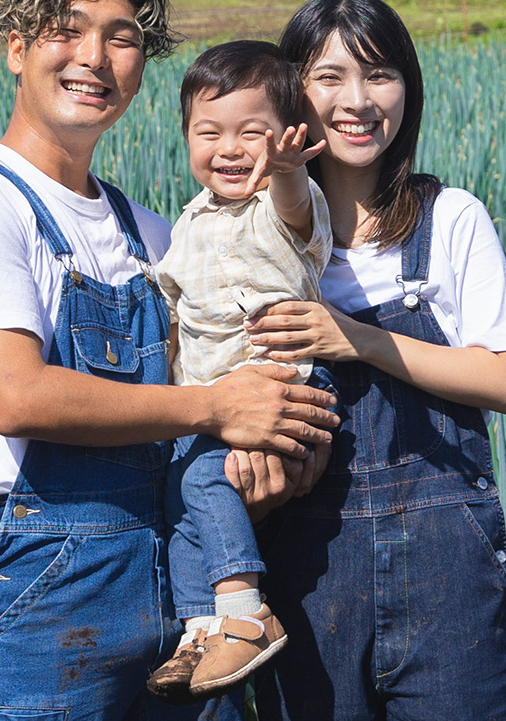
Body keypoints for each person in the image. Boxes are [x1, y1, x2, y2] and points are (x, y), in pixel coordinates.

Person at [0, 0, 339, 720]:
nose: (94, 59)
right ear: (16, 48)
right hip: (39, 593)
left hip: (177, 598)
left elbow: (192, 414)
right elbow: (20, 398)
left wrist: (262, 464)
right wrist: (220, 407)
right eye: (66, 30)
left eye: (123, 37)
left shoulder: (157, 234)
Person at [237, 0, 506, 720]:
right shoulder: (249, 235)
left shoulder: (449, 219)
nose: (359, 101)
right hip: (306, 570)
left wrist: (356, 340)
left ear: (408, 87)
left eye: (380, 74)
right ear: (291, 91)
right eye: (330, 76)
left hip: (446, 575)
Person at [146, 41, 332, 702]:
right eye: (209, 132)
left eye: (251, 134)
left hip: (281, 384)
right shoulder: (187, 223)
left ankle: (245, 609)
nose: (229, 148)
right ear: (185, 136)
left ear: (285, 139)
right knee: (179, 489)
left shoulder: (284, 206)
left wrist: (282, 170)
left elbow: (294, 206)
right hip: (212, 399)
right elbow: (173, 319)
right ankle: (203, 624)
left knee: (204, 477)